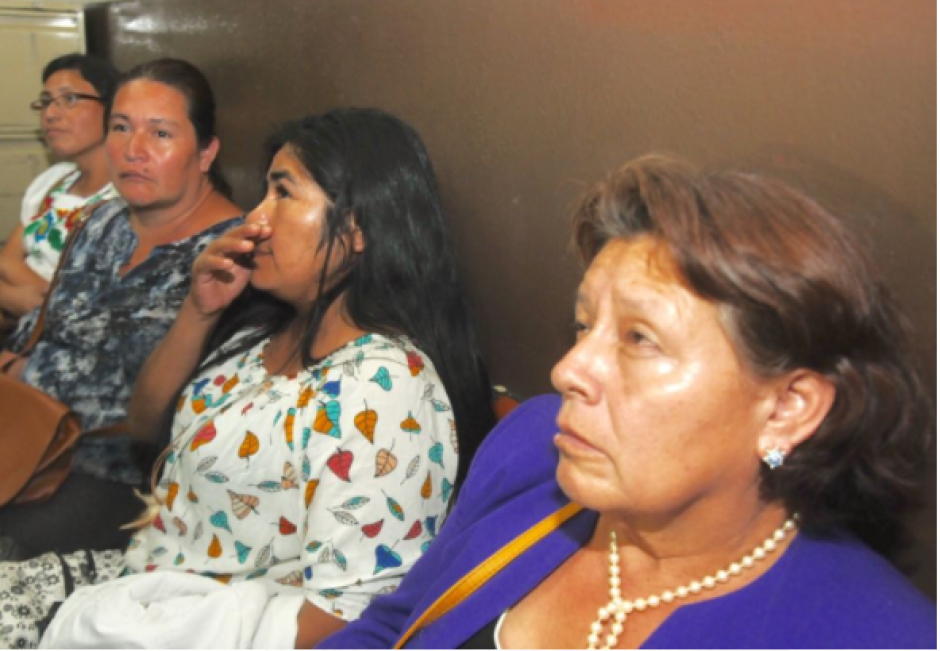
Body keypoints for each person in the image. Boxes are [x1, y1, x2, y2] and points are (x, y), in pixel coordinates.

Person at [318, 154, 936, 649]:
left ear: (787, 409)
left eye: (640, 339)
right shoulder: (533, 448)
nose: (567, 369)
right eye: (585, 326)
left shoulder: (877, 634)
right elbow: (392, 624)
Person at [22, 108, 495, 650]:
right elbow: (143, 423)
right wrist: (198, 312)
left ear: (359, 227)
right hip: (143, 589)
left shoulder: (384, 387)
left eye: (283, 194)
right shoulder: (269, 329)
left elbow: (346, 619)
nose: (256, 217)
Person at [0, 58, 242, 560]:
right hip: (30, 439)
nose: (134, 151)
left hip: (121, 476)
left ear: (205, 152)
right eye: (121, 127)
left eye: (160, 133)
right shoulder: (101, 220)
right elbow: (51, 322)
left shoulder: (230, 260)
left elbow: (178, 416)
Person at [0, 54, 120, 333]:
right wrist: (16, 299)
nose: (50, 114)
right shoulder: (54, 181)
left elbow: (82, 310)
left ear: (112, 106)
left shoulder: (123, 198)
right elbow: (7, 259)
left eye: (69, 99)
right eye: (46, 102)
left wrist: (25, 300)